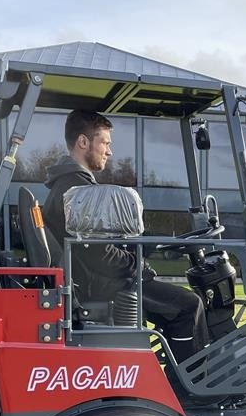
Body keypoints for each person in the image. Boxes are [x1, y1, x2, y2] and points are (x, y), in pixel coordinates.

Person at [43, 110, 209, 362]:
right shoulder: (78, 191)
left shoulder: (68, 187)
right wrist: (138, 265)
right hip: (102, 286)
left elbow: (97, 244)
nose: (109, 151)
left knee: (176, 304)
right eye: (105, 143)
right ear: (83, 142)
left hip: (90, 280)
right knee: (189, 306)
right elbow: (100, 254)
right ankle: (190, 394)